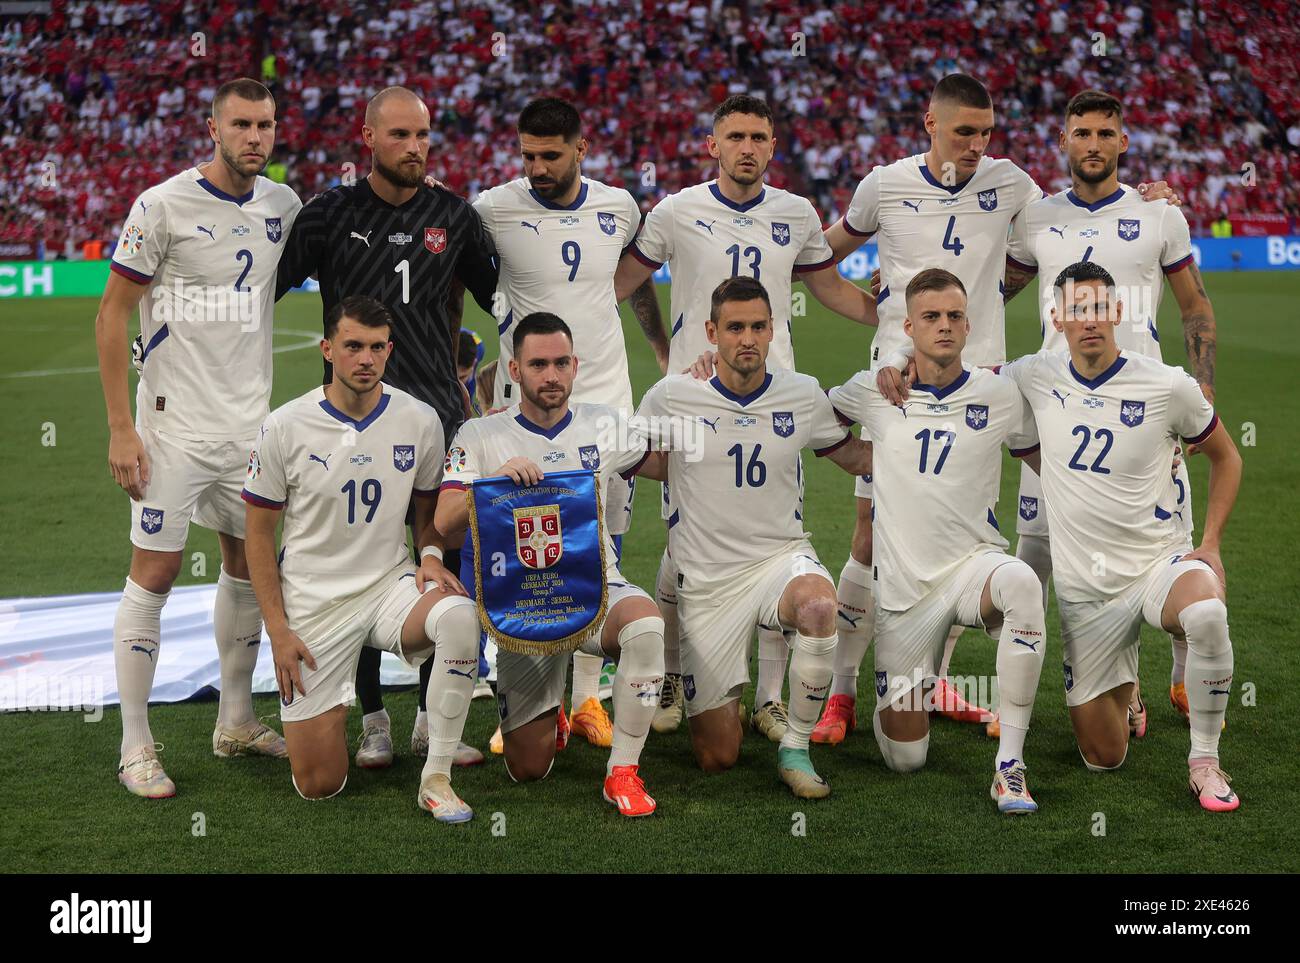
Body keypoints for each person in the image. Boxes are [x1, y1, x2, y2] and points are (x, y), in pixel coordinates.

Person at [815, 73, 1178, 744]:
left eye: (986, 132)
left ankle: (934, 677)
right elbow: (817, 258)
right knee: (872, 535)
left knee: (967, 541)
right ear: (930, 122)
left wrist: (1150, 199)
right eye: (964, 131)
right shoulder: (885, 184)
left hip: (981, 392)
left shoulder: (1010, 183)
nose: (977, 143)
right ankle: (839, 692)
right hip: (899, 387)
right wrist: (882, 316)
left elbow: (1069, 219)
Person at [613, 94, 878, 742]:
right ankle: (674, 674)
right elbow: (626, 280)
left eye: (759, 136)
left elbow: (830, 288)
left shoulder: (795, 213)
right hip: (694, 401)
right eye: (735, 136)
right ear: (713, 145)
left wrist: (897, 319)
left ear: (772, 146)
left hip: (779, 403)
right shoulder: (676, 211)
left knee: (773, 542)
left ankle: (767, 697)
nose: (748, 147)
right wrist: (659, 348)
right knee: (684, 542)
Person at [276, 86, 498, 770]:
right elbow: (262, 295)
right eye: (399, 134)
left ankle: (435, 718)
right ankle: (373, 717)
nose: (414, 147)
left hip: (440, 418)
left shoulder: (454, 216)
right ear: (367, 137)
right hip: (354, 422)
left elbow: (504, 305)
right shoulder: (327, 215)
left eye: (423, 135)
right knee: (365, 563)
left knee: (444, 565)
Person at [95, 77, 301, 798]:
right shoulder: (162, 204)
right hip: (172, 428)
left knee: (249, 562)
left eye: (266, 125)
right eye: (242, 124)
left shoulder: (284, 206)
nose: (255, 137)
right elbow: (112, 314)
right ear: (213, 128)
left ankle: (236, 719)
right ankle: (135, 745)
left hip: (249, 429)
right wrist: (123, 428)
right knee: (153, 571)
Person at [1004, 89, 1219, 738]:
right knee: (1033, 558)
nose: (1092, 143)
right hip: (1056, 418)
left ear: (1122, 142)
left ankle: (1153, 679)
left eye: (1104, 132)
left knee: (1156, 554)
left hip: (1145, 421)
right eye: (1081, 133)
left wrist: (1201, 402)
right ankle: (1007, 702)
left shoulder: (1158, 217)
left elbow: (1195, 309)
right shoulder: (1035, 218)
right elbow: (988, 295)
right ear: (1063, 143)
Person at [1000, 262, 1241, 812]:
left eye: (1100, 307)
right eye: (1076, 309)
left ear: (1119, 312)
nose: (1090, 320)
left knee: (1205, 614)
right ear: (1056, 318)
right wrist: (899, 369)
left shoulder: (1167, 384)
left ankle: (1204, 761)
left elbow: (1227, 457)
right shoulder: (1033, 374)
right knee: (1103, 758)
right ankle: (1128, 691)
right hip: (1087, 593)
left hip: (1159, 564)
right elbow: (961, 375)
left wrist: (1211, 545)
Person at [472, 96, 665, 748]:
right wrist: (469, 370)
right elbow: (460, 281)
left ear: (581, 149)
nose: (536, 167)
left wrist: (662, 348)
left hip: (606, 397)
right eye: (527, 154)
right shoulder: (494, 208)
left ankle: (586, 700)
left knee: (602, 546)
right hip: (525, 402)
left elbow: (634, 279)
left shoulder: (619, 206)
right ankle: (536, 697)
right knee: (531, 544)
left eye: (550, 154)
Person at [242, 296, 481, 821]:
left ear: (389, 351)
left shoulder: (418, 420)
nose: (365, 359)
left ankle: (435, 776)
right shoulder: (284, 426)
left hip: (388, 586)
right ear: (328, 349)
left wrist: (433, 554)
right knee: (320, 784)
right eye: (352, 346)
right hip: (313, 604)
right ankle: (349, 715)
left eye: (376, 347)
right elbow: (257, 536)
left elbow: (426, 515)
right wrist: (278, 630)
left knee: (460, 616)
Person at [633, 277, 872, 798]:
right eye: (735, 327)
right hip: (709, 583)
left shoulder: (802, 393)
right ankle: (727, 695)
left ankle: (797, 748)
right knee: (717, 757)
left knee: (816, 608)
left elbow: (853, 455)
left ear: (773, 331)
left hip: (778, 561)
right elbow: (632, 457)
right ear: (711, 333)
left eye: (759, 327)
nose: (748, 338)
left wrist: (918, 447)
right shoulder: (673, 396)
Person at [828, 269, 1047, 813]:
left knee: (1021, 582)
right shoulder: (876, 389)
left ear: (969, 325)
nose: (944, 326)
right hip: (903, 597)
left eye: (953, 316)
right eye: (931, 317)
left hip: (973, 569)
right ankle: (914, 687)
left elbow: (1040, 456)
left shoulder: (998, 395)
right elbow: (813, 418)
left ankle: (1010, 766)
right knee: (907, 760)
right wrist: (863, 459)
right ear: (909, 327)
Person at [434, 312, 666, 817]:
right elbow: (446, 520)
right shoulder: (479, 433)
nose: (552, 375)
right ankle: (552, 711)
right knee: (528, 768)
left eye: (562, 363)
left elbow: (670, 462)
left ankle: (623, 771)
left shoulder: (603, 424)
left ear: (576, 365)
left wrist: (702, 389)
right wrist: (491, 482)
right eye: (538, 364)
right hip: (525, 606)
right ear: (514, 370)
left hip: (594, 589)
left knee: (646, 626)